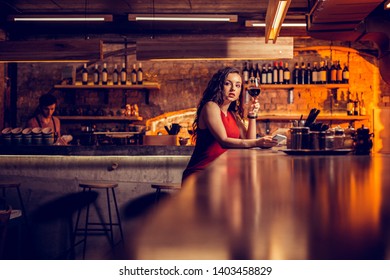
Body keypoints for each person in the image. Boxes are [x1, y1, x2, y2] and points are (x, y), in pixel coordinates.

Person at [182, 67, 277, 183]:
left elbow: (248, 140)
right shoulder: (210, 106)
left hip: (222, 173)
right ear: (219, 86)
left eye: (238, 85)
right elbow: (224, 141)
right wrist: (258, 142)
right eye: (228, 84)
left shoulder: (233, 114)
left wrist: (252, 115)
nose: (233, 89)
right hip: (202, 172)